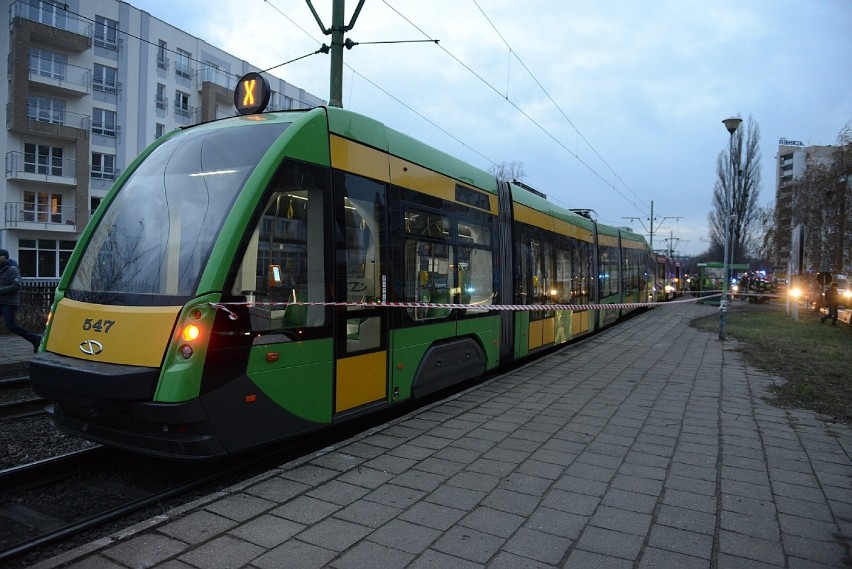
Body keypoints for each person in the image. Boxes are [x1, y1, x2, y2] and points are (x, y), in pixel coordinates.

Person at [0, 249, 42, 352]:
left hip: (9, 303)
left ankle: (36, 339)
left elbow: (16, 285)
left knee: (11, 326)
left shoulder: (12, 269)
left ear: (4, 257)